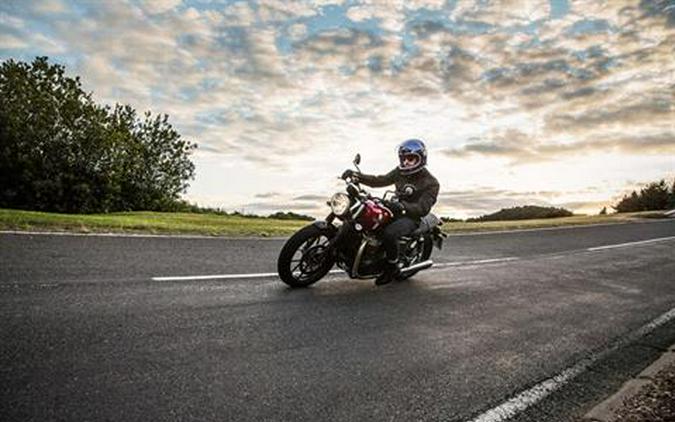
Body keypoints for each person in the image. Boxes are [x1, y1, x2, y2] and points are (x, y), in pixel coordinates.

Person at [342, 139, 440, 285]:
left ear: (421, 158)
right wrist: (357, 176)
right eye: (404, 158)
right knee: (367, 222)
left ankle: (391, 267)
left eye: (411, 158)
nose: (406, 162)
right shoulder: (400, 172)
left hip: (412, 217)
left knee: (389, 233)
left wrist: (402, 206)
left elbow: (423, 208)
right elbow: (379, 180)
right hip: (395, 207)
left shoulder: (431, 182)